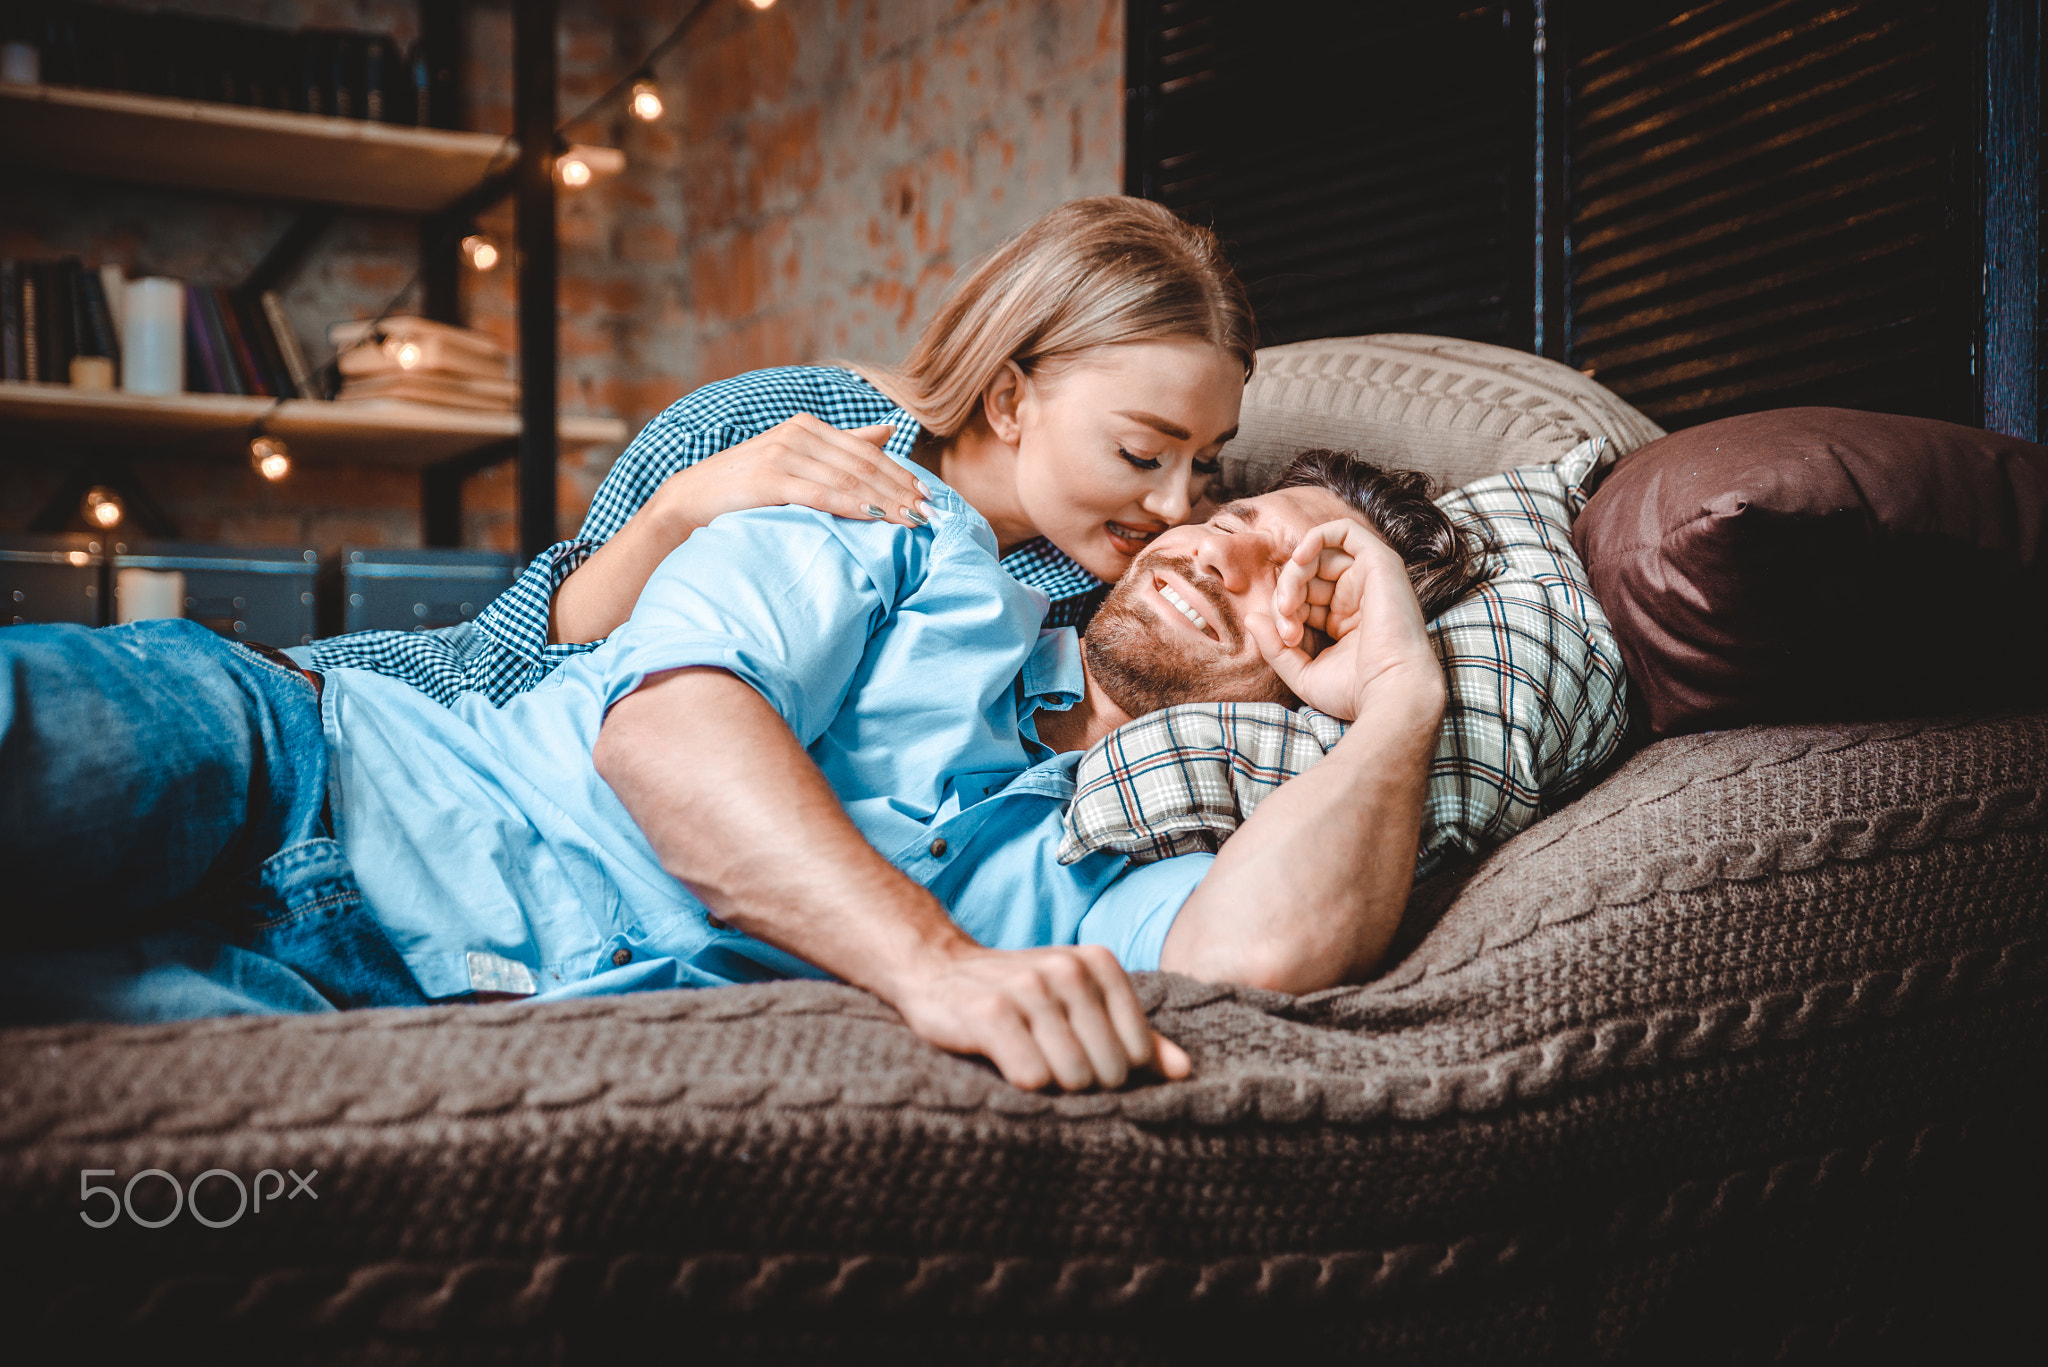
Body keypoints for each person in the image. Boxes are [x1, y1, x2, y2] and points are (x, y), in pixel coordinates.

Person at [1, 449, 1472, 1090]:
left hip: (386, 1010)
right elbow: (668, 725)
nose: (1226, 541)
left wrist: (1399, 693)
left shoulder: (1117, 872)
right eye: (1240, 508)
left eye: (1300, 572)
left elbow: (1262, 954)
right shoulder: (913, 542)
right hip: (297, 761)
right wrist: (933, 962)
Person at [300, 196, 1256, 705]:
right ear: (1009, 398)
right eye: (1142, 454)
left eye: (1207, 461)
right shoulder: (769, 423)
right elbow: (519, 676)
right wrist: (680, 510)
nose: (1180, 505)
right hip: (371, 703)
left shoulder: (1111, 593)